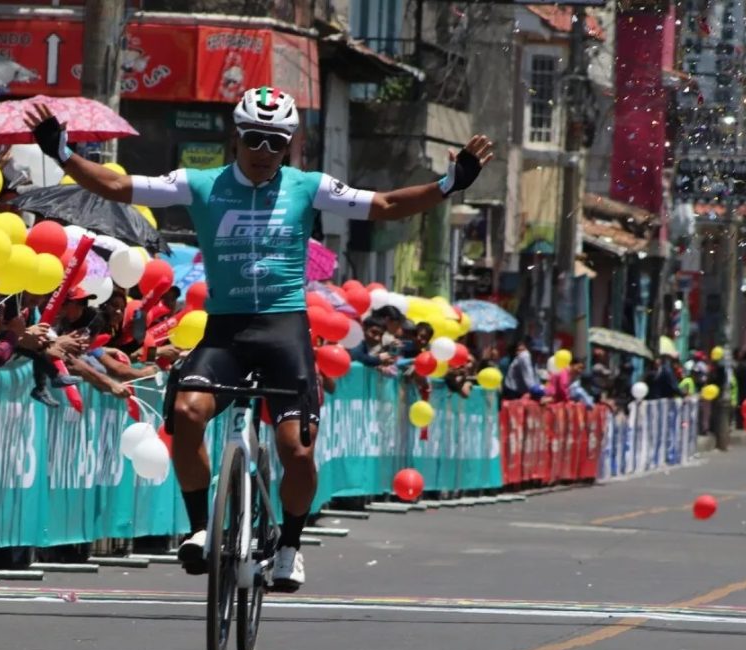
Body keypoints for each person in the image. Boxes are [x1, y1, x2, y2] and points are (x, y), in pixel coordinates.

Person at [27, 86, 492, 591]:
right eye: (254, 139)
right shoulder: (198, 183)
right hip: (225, 330)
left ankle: (289, 546)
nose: (264, 151)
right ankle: (202, 529)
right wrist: (63, 154)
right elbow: (118, 187)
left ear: (289, 146)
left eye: (276, 143)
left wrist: (449, 183)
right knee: (185, 414)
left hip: (283, 329)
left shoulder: (307, 186)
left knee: (296, 451)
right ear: (236, 138)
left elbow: (383, 203)